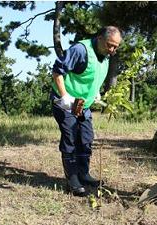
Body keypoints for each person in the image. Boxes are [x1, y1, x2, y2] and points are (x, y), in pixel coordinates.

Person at [51, 26, 122, 196]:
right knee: (71, 137)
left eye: (116, 47)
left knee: (86, 138)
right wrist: (65, 96)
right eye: (109, 45)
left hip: (84, 104)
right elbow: (57, 72)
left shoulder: (104, 56)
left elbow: (92, 75)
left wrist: (95, 91)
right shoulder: (80, 50)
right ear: (99, 38)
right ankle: (72, 179)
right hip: (66, 101)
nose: (112, 50)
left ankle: (84, 173)